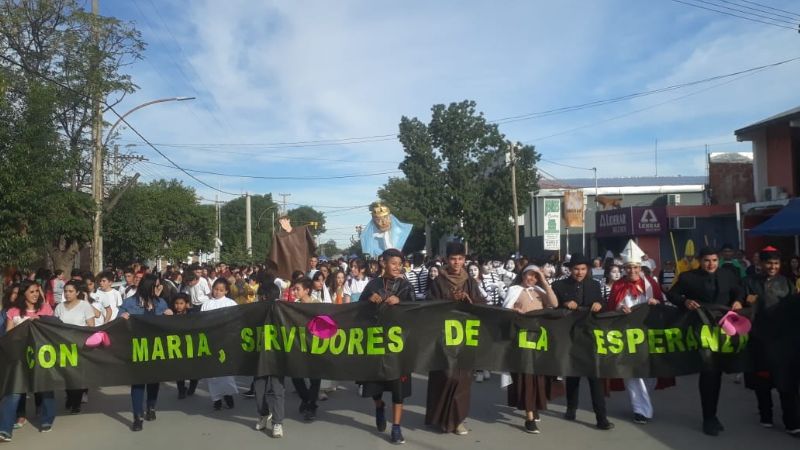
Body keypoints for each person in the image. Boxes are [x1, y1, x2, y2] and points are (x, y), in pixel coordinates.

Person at [667, 247, 745, 436]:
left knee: (718, 371)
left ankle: (713, 415)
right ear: (700, 261)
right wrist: (685, 302)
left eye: (714, 260)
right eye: (707, 261)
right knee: (709, 371)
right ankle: (708, 418)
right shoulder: (688, 277)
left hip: (724, 330)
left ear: (718, 261)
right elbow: (672, 294)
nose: (711, 264)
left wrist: (739, 300)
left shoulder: (728, 275)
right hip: (700, 330)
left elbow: (739, 290)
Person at [425, 242, 485, 435]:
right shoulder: (438, 281)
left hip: (465, 336)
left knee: (463, 378)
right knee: (446, 376)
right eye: (453, 258)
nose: (457, 262)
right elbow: (430, 306)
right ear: (446, 260)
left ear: (464, 260)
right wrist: (450, 301)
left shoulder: (470, 281)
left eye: (460, 258)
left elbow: (481, 304)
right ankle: (440, 418)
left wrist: (468, 300)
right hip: (444, 337)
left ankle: (458, 420)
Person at [552, 253, 614, 430]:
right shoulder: (559, 285)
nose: (579, 272)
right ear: (570, 269)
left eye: (583, 269)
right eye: (576, 269)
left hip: (590, 337)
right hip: (569, 337)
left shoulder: (595, 285)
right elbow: (552, 306)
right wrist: (564, 303)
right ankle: (571, 409)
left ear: (588, 270)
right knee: (572, 376)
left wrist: (599, 304)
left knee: (595, 378)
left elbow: (603, 304)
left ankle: (601, 418)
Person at [359, 249, 414, 444]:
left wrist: (401, 302)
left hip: (398, 345)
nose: (398, 267)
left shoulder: (406, 286)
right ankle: (379, 406)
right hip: (376, 342)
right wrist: (368, 301)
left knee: (398, 388)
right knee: (374, 386)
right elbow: (357, 311)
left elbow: (415, 311)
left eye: (400, 263)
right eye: (394, 263)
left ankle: (396, 428)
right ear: (384, 263)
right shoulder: (372, 284)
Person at [742, 247, 799, 436]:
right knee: (762, 381)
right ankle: (765, 415)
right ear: (760, 264)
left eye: (775, 263)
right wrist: (743, 302)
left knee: (787, 382)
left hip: (784, 340)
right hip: (759, 339)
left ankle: (792, 421)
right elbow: (740, 306)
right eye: (769, 263)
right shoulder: (749, 282)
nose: (772, 267)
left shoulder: (787, 283)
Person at [608, 240, 665, 425]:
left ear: (640, 267)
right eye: (629, 267)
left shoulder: (651, 285)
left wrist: (656, 304)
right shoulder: (617, 286)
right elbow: (610, 308)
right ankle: (641, 410)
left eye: (635, 267)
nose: (632, 271)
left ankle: (643, 401)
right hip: (626, 334)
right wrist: (619, 308)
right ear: (624, 268)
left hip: (648, 333)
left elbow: (662, 305)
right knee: (632, 373)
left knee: (649, 374)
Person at [502, 265, 558, 434]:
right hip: (522, 339)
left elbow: (554, 304)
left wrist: (543, 279)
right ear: (523, 275)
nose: (531, 279)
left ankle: (534, 406)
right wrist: (514, 311)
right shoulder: (514, 290)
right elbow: (505, 310)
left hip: (539, 339)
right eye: (529, 275)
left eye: (535, 276)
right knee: (526, 376)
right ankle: (529, 417)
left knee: (538, 376)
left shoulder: (540, 290)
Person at [0, 280, 57, 440]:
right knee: (14, 392)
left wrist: (39, 322)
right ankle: (4, 429)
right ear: (24, 293)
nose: (35, 295)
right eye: (31, 291)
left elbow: (53, 330)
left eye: (36, 291)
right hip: (19, 358)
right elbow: (8, 335)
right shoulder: (13, 311)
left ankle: (47, 420)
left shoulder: (45, 308)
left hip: (42, 357)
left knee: (45, 388)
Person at [118, 274, 173, 431]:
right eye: (156, 286)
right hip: (137, 349)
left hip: (156, 348)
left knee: (154, 381)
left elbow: (169, 326)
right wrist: (122, 317)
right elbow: (117, 321)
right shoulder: (129, 303)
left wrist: (170, 316)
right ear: (147, 286)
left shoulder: (161, 303)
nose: (159, 288)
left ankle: (151, 407)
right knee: (138, 383)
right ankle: (137, 416)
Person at [54, 280, 96, 414]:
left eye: (71, 291)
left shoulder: (85, 306)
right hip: (64, 346)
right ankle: (70, 397)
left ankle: (76, 403)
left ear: (77, 292)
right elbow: (54, 326)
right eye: (65, 291)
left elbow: (91, 326)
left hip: (80, 346)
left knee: (77, 376)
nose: (67, 294)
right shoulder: (59, 307)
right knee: (66, 374)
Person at [253, 282, 286, 438]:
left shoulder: (282, 311)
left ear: (266, 297)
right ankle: (263, 414)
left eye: (260, 296)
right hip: (260, 357)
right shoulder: (254, 311)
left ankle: (278, 423)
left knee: (278, 391)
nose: (258, 298)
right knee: (259, 391)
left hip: (277, 357)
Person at [201, 278, 239, 410]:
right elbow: (202, 321)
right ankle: (216, 398)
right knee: (213, 373)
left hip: (226, 340)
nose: (217, 292)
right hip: (211, 340)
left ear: (226, 291)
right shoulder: (206, 304)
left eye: (221, 290)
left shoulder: (231, 303)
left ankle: (228, 395)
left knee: (226, 371)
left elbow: (235, 321)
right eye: (216, 289)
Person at [290, 278, 323, 421]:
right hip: (299, 346)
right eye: (294, 289)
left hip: (315, 346)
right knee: (295, 375)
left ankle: (311, 405)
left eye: (297, 289)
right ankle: (306, 397)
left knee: (314, 378)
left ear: (307, 290)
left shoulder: (318, 305)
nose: (295, 291)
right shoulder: (293, 307)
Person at [171, 293, 198, 399]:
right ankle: (181, 390)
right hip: (177, 346)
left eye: (181, 303)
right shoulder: (170, 315)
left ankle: (192, 386)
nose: (178, 306)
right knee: (179, 369)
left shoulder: (193, 315)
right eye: (176, 303)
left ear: (187, 304)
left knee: (193, 369)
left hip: (191, 345)